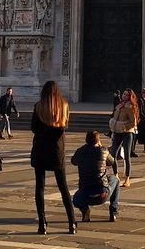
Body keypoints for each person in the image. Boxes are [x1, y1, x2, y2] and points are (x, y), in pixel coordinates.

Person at [30, 80, 76, 235]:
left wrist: (43, 133)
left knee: (40, 188)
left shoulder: (38, 106)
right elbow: (64, 127)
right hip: (57, 151)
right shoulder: (64, 106)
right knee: (64, 188)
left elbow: (33, 128)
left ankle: (42, 223)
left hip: (41, 150)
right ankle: (72, 223)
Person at [71, 129, 120, 223]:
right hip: (102, 194)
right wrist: (101, 147)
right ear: (98, 140)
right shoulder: (103, 151)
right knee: (115, 180)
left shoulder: (81, 151)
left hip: (85, 195)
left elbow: (73, 161)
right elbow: (112, 161)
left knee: (75, 199)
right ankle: (113, 211)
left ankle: (85, 210)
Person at [109, 89, 139, 184]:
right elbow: (114, 117)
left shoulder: (130, 107)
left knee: (126, 155)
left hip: (127, 133)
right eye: (124, 94)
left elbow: (133, 122)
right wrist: (113, 125)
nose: (124, 96)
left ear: (130, 97)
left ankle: (127, 178)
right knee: (113, 154)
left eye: (126, 95)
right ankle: (116, 175)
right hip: (117, 132)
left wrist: (123, 126)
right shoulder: (119, 106)